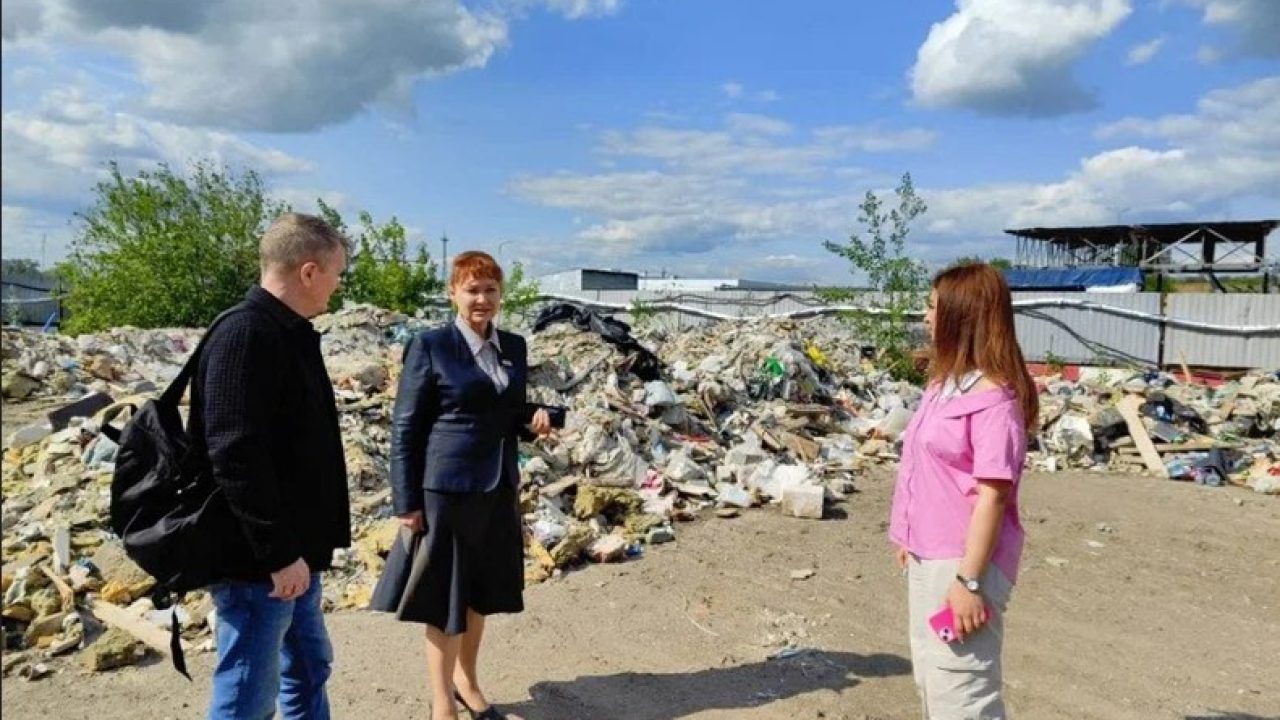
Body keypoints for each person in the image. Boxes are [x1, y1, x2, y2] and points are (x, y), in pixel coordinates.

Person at [190, 212, 352, 719]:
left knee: (308, 668)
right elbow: (234, 453)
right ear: (308, 272)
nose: (339, 286)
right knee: (247, 697)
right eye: (337, 273)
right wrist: (278, 554)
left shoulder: (289, 333)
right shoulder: (247, 335)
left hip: (296, 556)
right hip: (260, 565)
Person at [382, 250, 552, 720]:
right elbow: (406, 428)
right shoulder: (431, 346)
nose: (482, 298)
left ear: (501, 295)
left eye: (490, 290)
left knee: (480, 593)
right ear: (453, 292)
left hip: (498, 487)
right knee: (445, 600)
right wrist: (406, 501)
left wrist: (533, 422)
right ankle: (442, 704)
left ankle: (468, 684)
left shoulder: (513, 346)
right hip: (446, 491)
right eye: (472, 289)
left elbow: (507, 413)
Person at [888, 262, 1038, 719]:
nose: (926, 317)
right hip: (928, 558)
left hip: (963, 565)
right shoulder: (944, 386)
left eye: (933, 307)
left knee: (964, 693)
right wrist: (907, 535)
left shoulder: (995, 402)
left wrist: (968, 582)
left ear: (962, 316)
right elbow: (924, 465)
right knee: (932, 678)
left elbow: (992, 496)